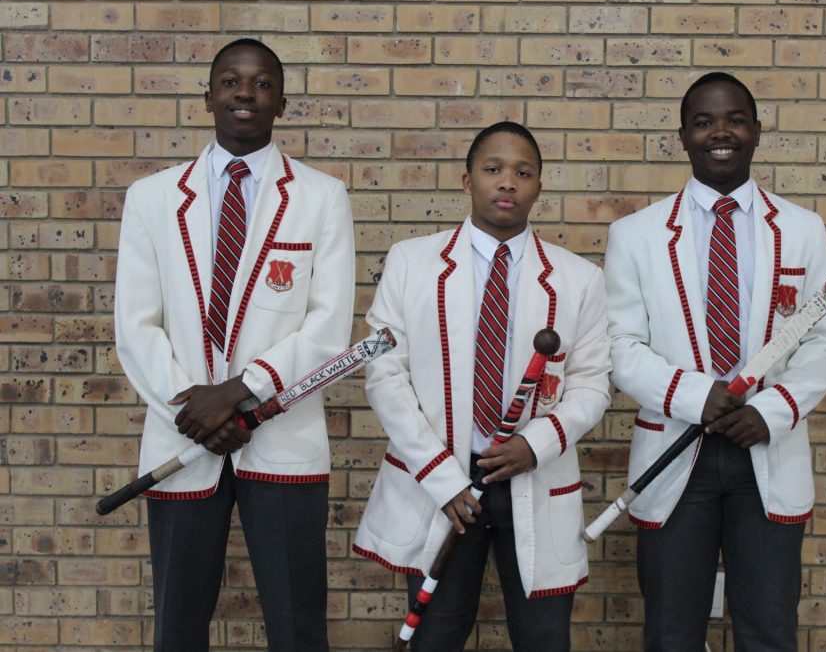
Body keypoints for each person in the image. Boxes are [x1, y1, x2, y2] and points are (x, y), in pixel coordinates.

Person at [114, 38, 354, 652]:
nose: (244, 93)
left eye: (262, 83)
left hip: (283, 437)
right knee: (177, 625)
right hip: (182, 434)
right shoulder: (153, 198)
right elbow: (136, 325)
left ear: (283, 103)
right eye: (229, 81)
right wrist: (194, 409)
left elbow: (329, 328)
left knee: (298, 625)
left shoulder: (321, 196)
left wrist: (238, 391)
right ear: (208, 97)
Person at [603, 72, 826, 652]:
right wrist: (695, 395)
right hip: (674, 451)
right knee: (671, 633)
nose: (721, 133)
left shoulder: (802, 230)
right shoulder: (635, 235)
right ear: (683, 137)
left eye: (736, 120)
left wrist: (772, 410)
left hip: (766, 450)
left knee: (768, 630)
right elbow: (620, 346)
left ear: (757, 131)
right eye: (704, 122)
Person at [354, 121, 611, 651]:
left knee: (544, 638)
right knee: (436, 636)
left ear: (539, 187)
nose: (507, 182)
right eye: (493, 169)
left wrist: (534, 444)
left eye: (523, 172)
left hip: (532, 474)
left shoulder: (578, 279)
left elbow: (591, 385)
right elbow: (385, 373)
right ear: (467, 179)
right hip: (443, 482)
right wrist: (440, 475)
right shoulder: (411, 262)